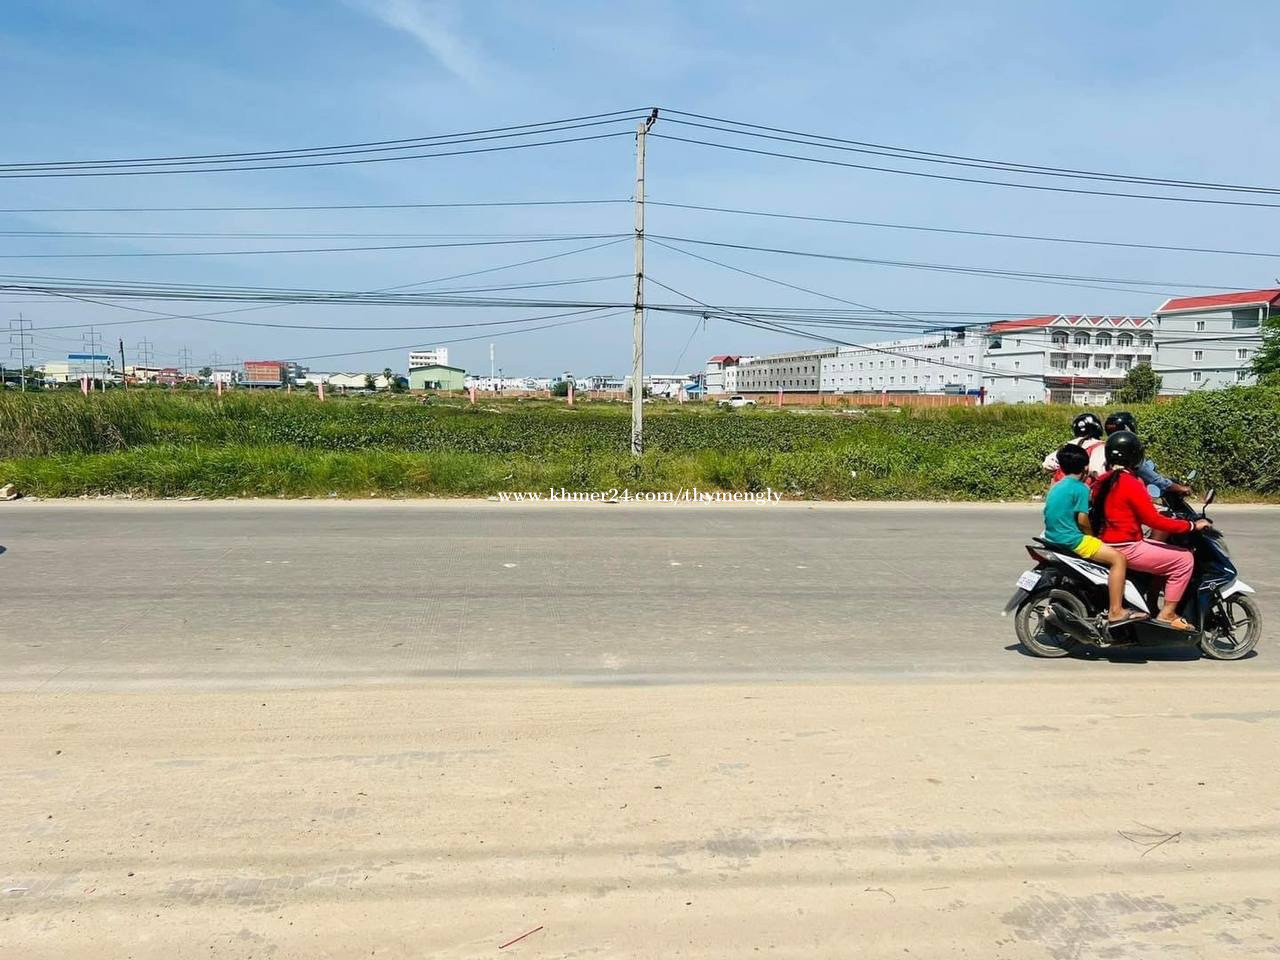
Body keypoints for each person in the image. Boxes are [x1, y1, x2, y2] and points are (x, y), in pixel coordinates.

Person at [1090, 430, 1211, 632]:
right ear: (1135, 456)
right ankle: (1168, 613)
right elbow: (1153, 520)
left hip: (1107, 543)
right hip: (1126, 546)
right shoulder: (1131, 482)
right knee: (1184, 559)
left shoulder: (1103, 481)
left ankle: (1151, 604)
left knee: (1165, 552)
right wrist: (1190, 525)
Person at [1042, 444, 1145, 625]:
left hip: (1052, 537)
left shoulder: (1056, 486)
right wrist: (1092, 537)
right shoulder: (1080, 488)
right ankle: (1116, 611)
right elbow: (1083, 520)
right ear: (1085, 468)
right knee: (1119, 559)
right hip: (1072, 540)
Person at [1103, 411, 1191, 498]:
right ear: (1128, 428)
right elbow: (1155, 479)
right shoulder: (1130, 456)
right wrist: (1181, 488)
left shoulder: (1106, 448)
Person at [1042, 412, 1107, 482]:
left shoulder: (1068, 446)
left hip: (1063, 485)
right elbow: (1099, 472)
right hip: (1085, 487)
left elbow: (1047, 464)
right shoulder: (1099, 447)